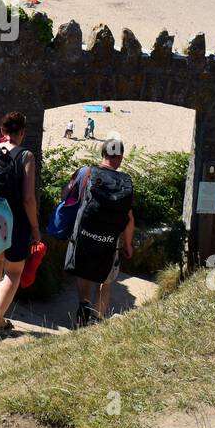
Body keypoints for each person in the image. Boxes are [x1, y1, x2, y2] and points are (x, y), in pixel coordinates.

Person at [65, 139, 136, 326]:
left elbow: (66, 196)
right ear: (120, 157)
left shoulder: (87, 173)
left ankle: (84, 306)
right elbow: (129, 220)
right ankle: (97, 318)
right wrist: (128, 245)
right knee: (106, 280)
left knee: (84, 271)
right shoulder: (125, 182)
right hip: (110, 241)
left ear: (103, 154)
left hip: (84, 236)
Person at [0, 113, 40, 337]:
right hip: (16, 219)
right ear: (22, 132)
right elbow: (28, 198)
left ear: (2, 130)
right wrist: (35, 227)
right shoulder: (26, 156)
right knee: (14, 271)